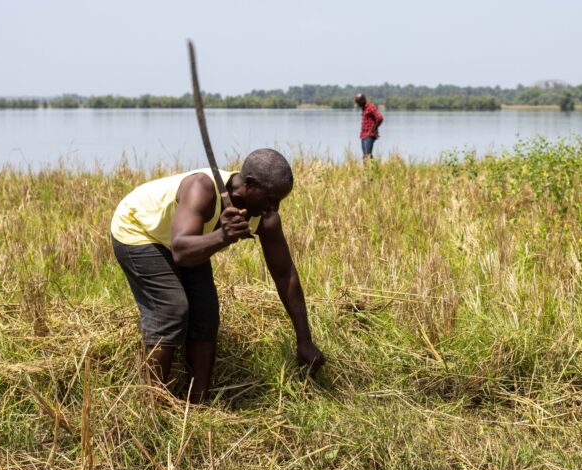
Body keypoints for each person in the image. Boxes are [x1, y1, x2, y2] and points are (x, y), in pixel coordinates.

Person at [110, 148, 325, 403]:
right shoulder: (203, 187)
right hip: (139, 230)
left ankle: (196, 403)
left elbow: (284, 273)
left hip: (190, 240)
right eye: (270, 198)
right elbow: (180, 251)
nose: (274, 207)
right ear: (249, 184)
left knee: (206, 313)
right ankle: (150, 403)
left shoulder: (265, 217)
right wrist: (222, 236)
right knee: (172, 309)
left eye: (279, 200)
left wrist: (304, 339)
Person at [355, 93, 384, 159]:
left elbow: (380, 118)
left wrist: (374, 129)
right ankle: (371, 168)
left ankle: (370, 168)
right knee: (366, 155)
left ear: (362, 100)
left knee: (367, 155)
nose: (358, 104)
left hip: (369, 134)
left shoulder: (371, 107)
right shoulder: (364, 108)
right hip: (363, 135)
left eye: (358, 102)